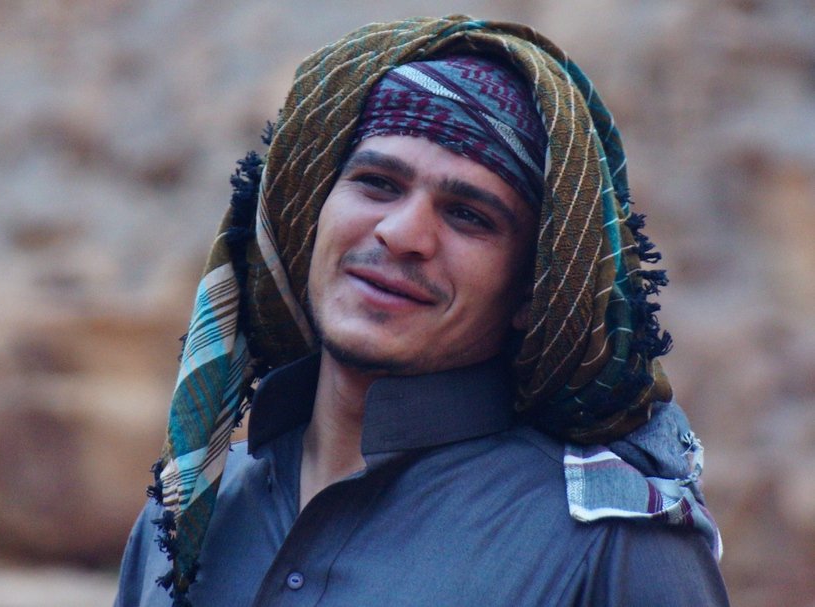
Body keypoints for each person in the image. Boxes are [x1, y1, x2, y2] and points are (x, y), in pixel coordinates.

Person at [115, 16, 729, 607]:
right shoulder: (190, 516)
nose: (403, 232)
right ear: (312, 217)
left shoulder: (613, 543)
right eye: (378, 183)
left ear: (530, 294)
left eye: (469, 215)